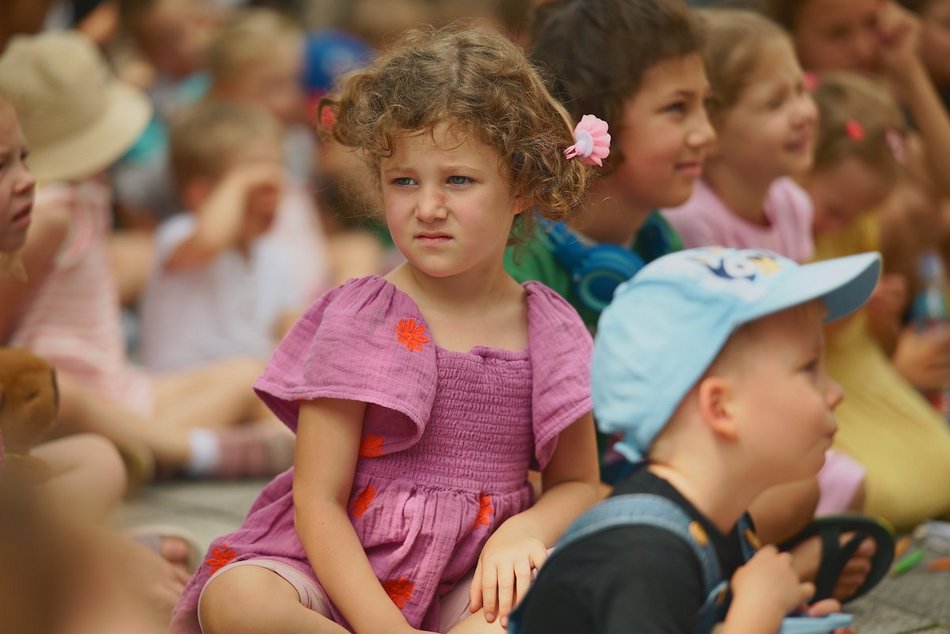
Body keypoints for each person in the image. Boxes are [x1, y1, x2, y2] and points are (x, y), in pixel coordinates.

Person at [170, 24, 602, 634]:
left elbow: (581, 482)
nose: (427, 206)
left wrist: (524, 531)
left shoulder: (547, 327)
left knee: (552, 601)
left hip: (470, 577)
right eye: (405, 181)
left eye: (458, 179)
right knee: (238, 599)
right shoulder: (364, 313)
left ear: (523, 188)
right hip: (334, 570)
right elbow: (318, 500)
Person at [510, 246, 881, 633]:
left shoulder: (722, 525)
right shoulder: (640, 554)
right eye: (809, 368)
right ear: (720, 407)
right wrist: (754, 618)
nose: (835, 391)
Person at [0, 30, 295, 482]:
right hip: (64, 389)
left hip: (112, 384)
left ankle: (170, 445)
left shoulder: (85, 195)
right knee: (68, 395)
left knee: (247, 374)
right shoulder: (52, 212)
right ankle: (190, 451)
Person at [801, 70, 950, 529]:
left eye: (860, 211)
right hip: (815, 377)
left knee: (940, 461)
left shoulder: (857, 227)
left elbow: (872, 343)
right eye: (834, 208)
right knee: (879, 487)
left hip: (857, 369)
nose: (842, 222)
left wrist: (878, 313)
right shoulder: (790, 228)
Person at [139, 99, 305, 373]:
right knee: (246, 373)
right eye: (255, 185)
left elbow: (292, 333)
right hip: (180, 389)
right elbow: (208, 240)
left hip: (248, 391)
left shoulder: (276, 256)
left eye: (276, 178)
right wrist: (242, 179)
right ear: (200, 196)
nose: (273, 193)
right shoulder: (178, 233)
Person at [662, 9, 818, 262]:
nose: (804, 114)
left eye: (801, 89)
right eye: (775, 103)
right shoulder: (693, 223)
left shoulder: (792, 204)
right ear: (710, 130)